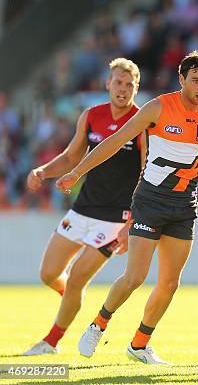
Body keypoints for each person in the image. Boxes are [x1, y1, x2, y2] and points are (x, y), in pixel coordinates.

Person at [56, 50, 198, 364]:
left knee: (170, 283)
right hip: (149, 201)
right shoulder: (159, 107)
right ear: (182, 79)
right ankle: (98, 324)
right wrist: (77, 172)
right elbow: (115, 140)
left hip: (184, 205)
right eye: (196, 80)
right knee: (135, 277)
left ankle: (139, 344)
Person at [23, 58, 143, 356]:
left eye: (129, 85)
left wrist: (132, 222)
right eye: (118, 82)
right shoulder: (91, 116)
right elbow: (71, 156)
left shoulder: (141, 122)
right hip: (82, 208)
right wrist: (44, 171)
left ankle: (51, 341)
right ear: (107, 84)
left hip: (115, 218)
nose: (123, 89)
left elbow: (146, 172)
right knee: (49, 274)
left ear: (136, 88)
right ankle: (72, 300)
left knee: (77, 276)